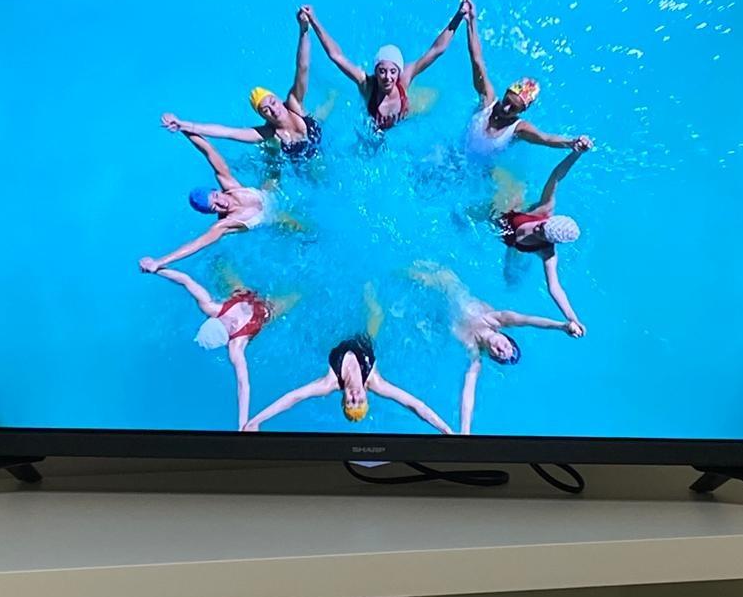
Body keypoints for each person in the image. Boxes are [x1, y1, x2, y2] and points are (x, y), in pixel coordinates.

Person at [244, 283, 452, 433]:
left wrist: (256, 420)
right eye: (359, 401)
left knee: (319, 313)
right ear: (366, 397)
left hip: (334, 338)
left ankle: (306, 290)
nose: (355, 397)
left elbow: (293, 398)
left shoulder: (329, 382)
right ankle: (367, 282)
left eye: (350, 402)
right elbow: (415, 405)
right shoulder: (375, 382)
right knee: (376, 311)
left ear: (343, 399)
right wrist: (447, 431)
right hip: (365, 336)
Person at [409, 261, 580, 434]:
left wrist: (465, 432)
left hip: (432, 309)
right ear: (505, 336)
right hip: (444, 282)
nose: (502, 349)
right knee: (408, 274)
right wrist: (562, 326)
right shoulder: (496, 319)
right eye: (506, 346)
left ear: (491, 355)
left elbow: (468, 392)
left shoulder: (474, 352)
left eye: (501, 354)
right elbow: (529, 320)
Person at [146, 266, 300, 430]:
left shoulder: (212, 307)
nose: (233, 321)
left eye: (225, 320)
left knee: (222, 266)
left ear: (215, 318)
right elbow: (243, 384)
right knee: (297, 295)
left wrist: (155, 268)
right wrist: (243, 424)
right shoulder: (236, 346)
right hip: (267, 310)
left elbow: (185, 280)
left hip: (241, 293)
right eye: (230, 327)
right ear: (228, 338)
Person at [160, 11, 323, 164]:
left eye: (273, 102)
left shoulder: (294, 104)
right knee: (278, 158)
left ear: (279, 99)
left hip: (313, 131)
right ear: (263, 117)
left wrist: (304, 31)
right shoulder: (267, 133)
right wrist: (183, 125)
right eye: (266, 110)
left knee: (321, 114)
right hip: (302, 160)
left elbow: (302, 68)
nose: (273, 110)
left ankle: (332, 97)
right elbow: (226, 132)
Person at [138, 130, 300, 273]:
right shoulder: (225, 224)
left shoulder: (230, 186)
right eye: (214, 206)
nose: (221, 203)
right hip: (277, 218)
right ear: (212, 212)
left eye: (216, 197)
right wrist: (159, 262)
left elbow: (209, 151)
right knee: (305, 231)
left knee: (274, 148)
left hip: (269, 190)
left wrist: (184, 128)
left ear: (216, 190)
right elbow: (197, 244)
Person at [299, 0, 467, 133]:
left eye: (393, 71)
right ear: (375, 71)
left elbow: (437, 50)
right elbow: (336, 56)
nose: (388, 77)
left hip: (408, 112)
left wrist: (459, 16)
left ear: (399, 72)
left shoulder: (404, 79)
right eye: (382, 71)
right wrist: (313, 21)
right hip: (375, 128)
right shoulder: (367, 85)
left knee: (435, 98)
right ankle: (332, 96)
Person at [462, 0, 591, 161]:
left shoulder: (518, 129)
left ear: (523, 110)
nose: (506, 108)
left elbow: (546, 139)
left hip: (479, 172)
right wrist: (471, 21)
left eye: (514, 108)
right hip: (456, 155)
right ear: (505, 92)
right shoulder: (487, 101)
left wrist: (572, 142)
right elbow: (477, 61)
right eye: (507, 101)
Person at [495, 145, 591, 335]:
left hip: (512, 244)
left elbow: (555, 288)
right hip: (506, 211)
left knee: (510, 276)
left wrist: (573, 318)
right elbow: (556, 176)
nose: (536, 228)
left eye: (541, 233)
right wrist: (576, 153)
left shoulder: (547, 253)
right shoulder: (544, 210)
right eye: (541, 226)